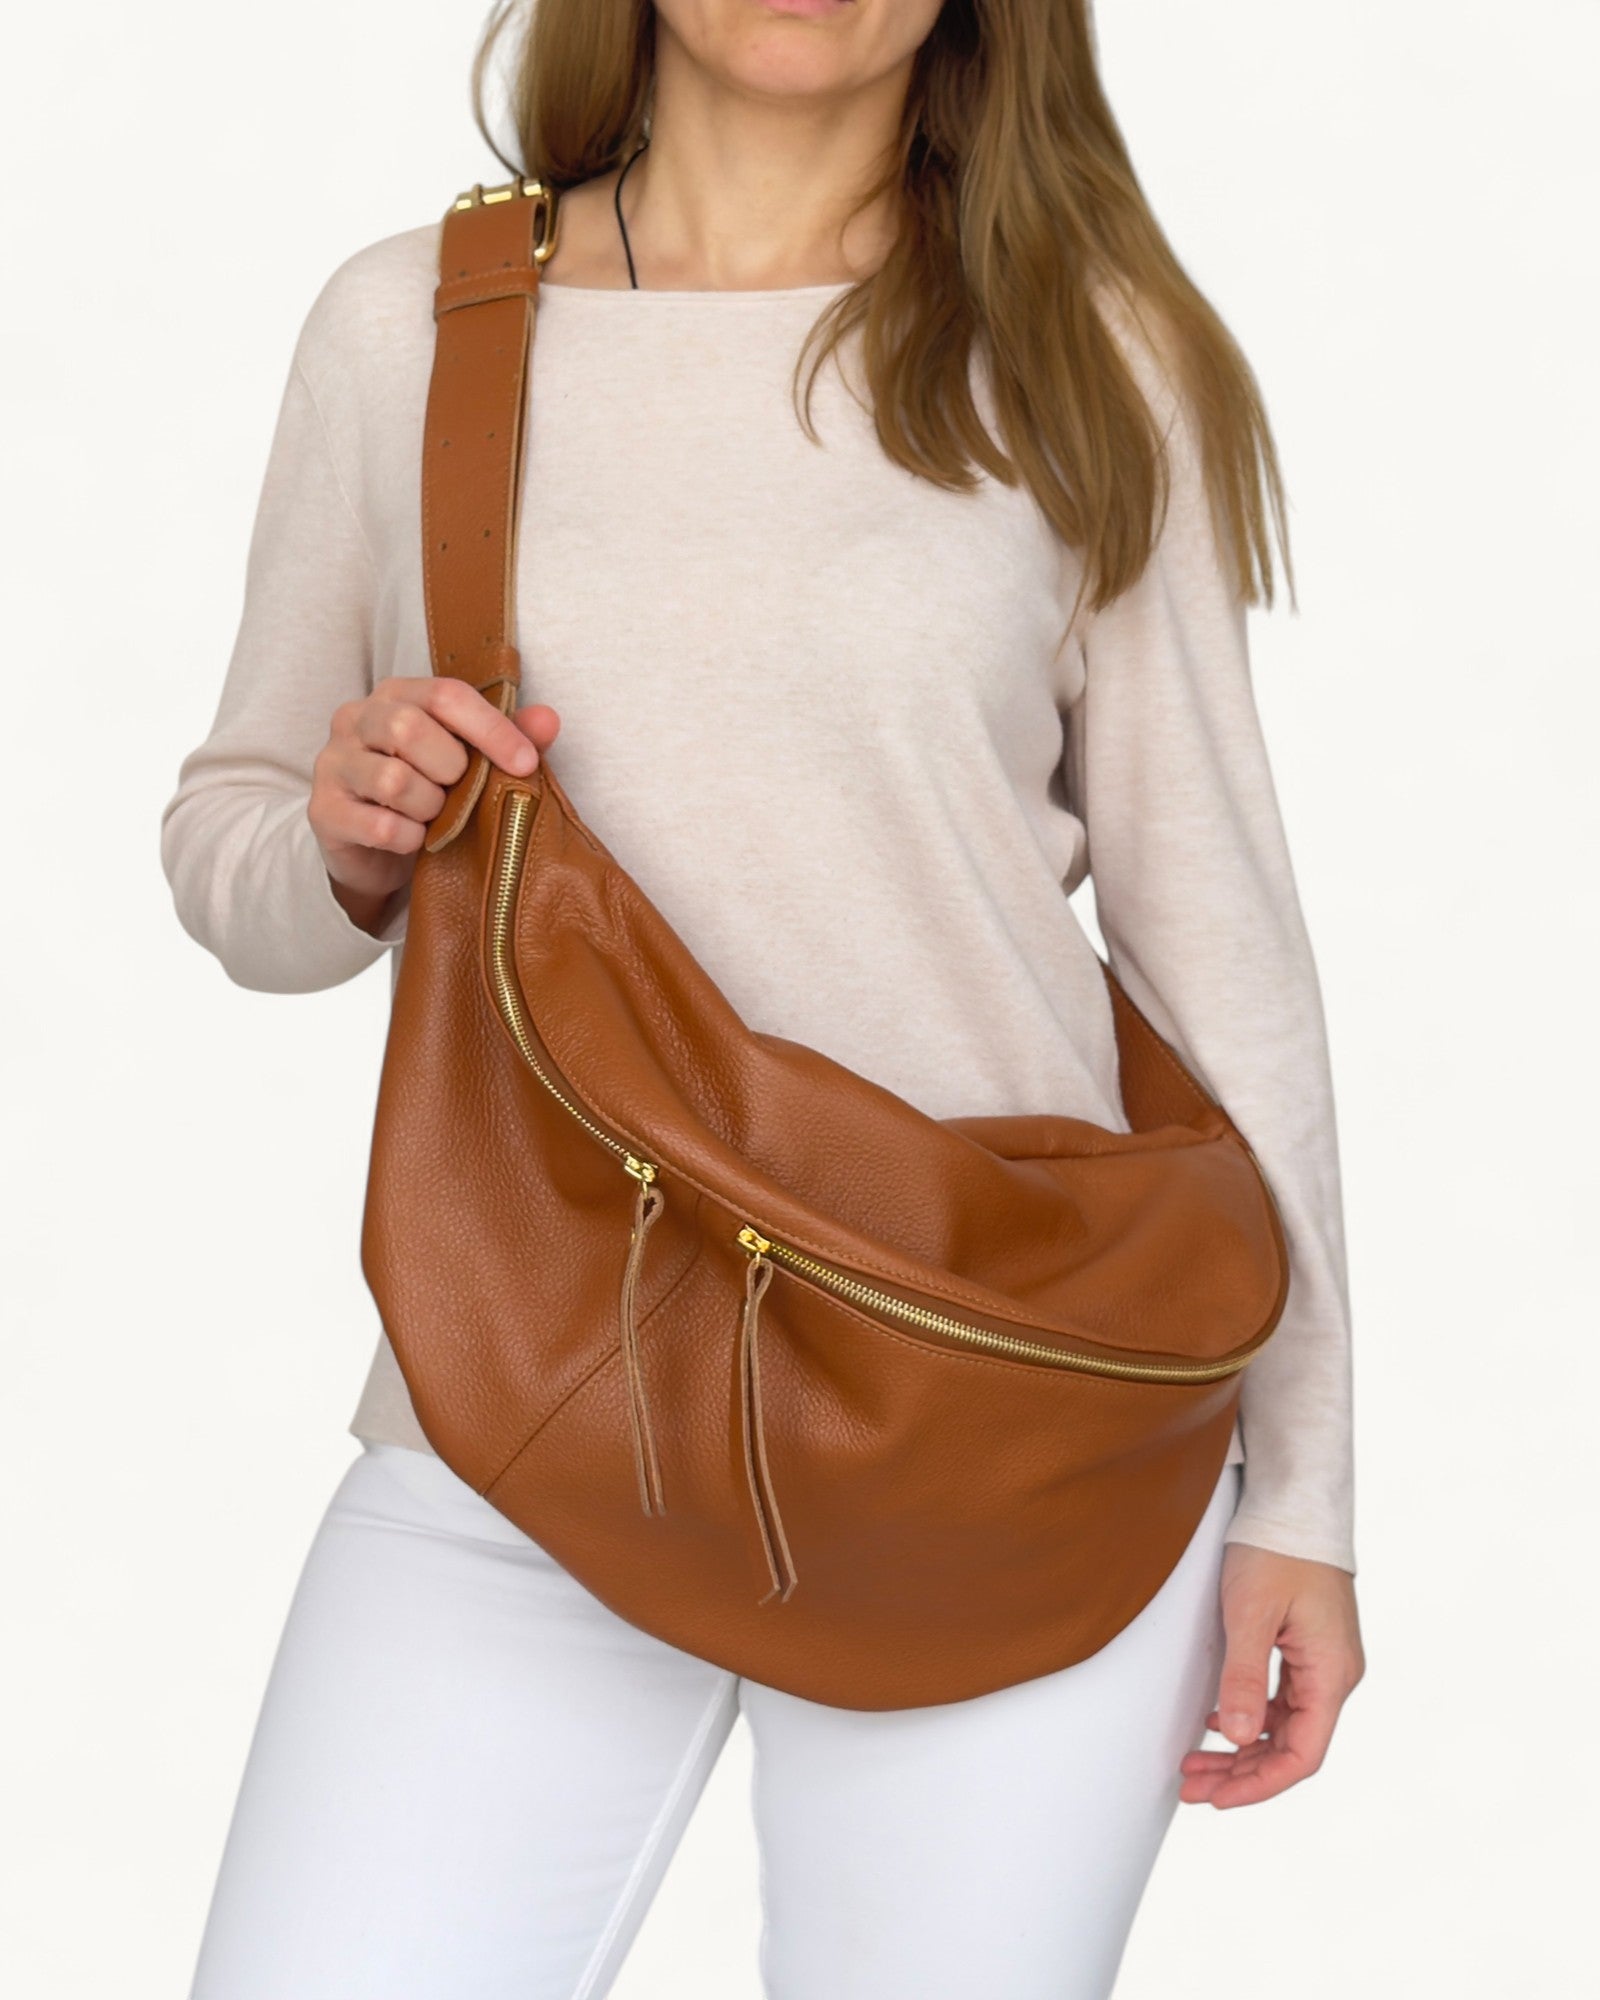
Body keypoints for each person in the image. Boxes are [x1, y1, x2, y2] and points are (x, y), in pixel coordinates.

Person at [159, 2, 1365, 1995]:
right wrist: (348, 833)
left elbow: (1218, 961)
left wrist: (1302, 1499)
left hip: (1002, 1413)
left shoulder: (1084, 354)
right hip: (527, 1403)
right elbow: (238, 856)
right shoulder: (416, 329)